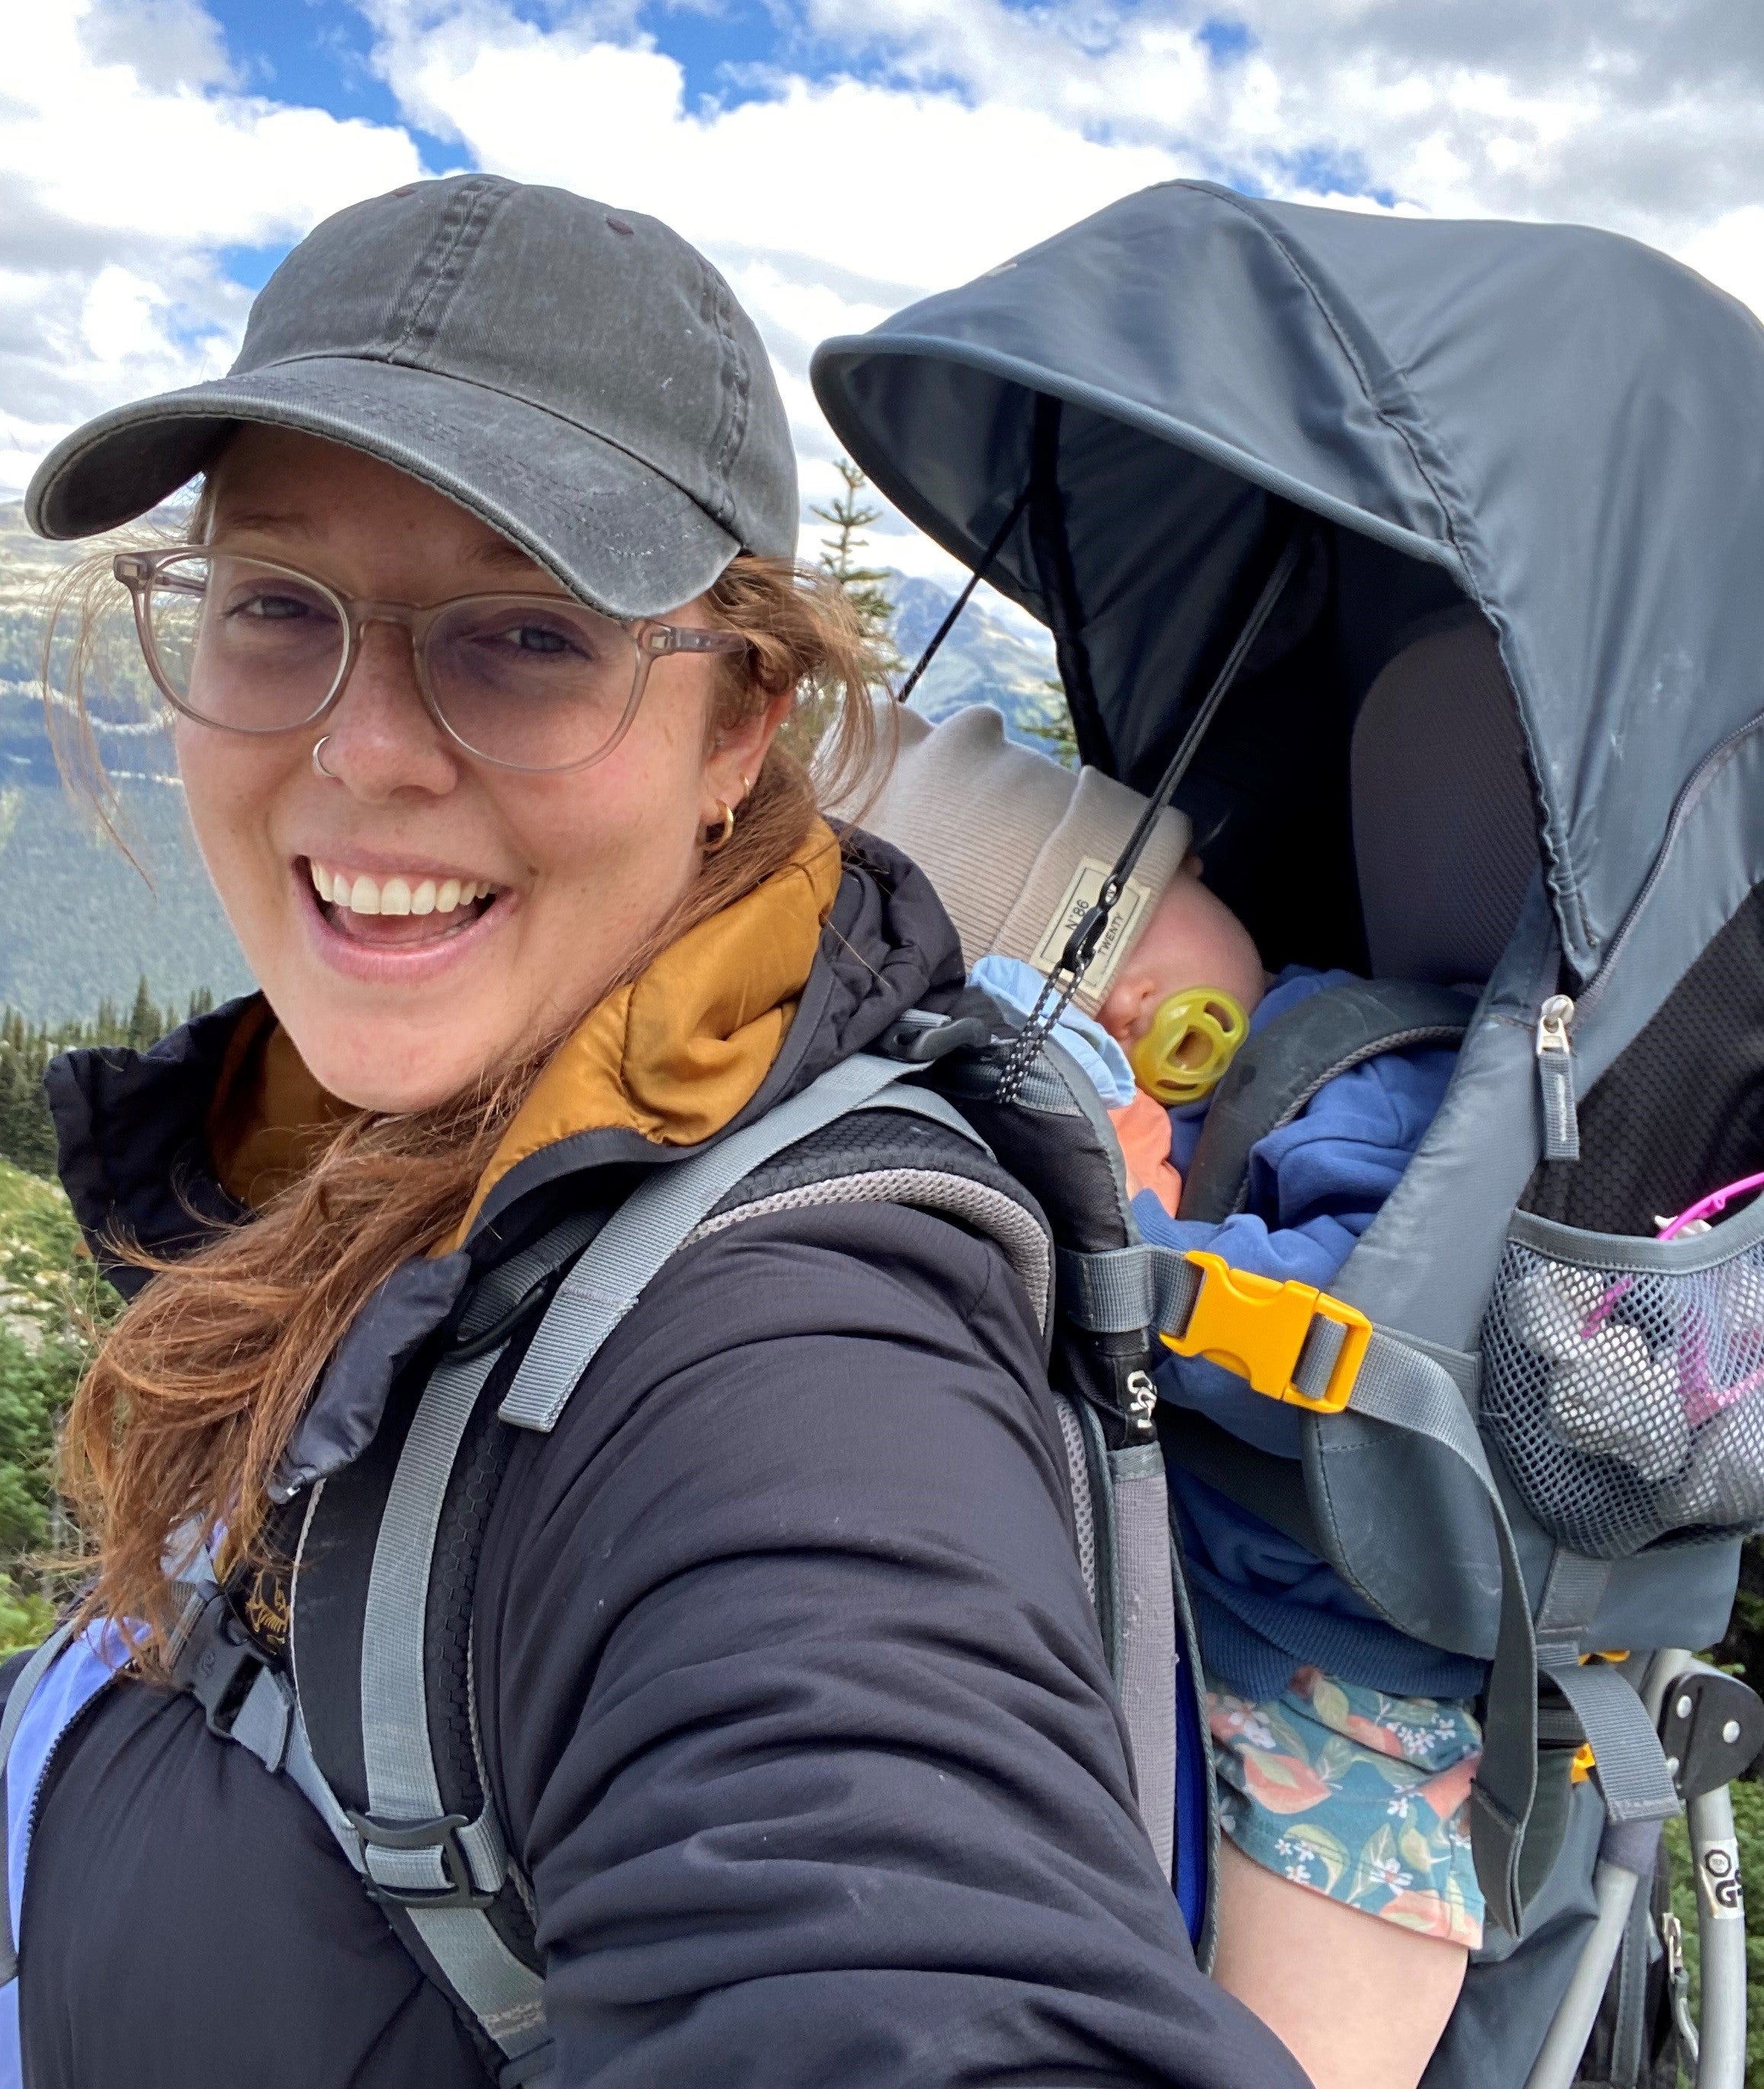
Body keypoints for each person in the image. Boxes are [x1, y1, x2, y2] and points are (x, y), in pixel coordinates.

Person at [2, 179, 1305, 2089]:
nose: (364, 748)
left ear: (738, 724)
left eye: (526, 631)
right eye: (279, 604)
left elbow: (882, 1921)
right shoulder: (369, 1161)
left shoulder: (784, 1364)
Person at [861, 702, 1488, 2089]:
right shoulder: (1158, 1114)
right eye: (1075, 998)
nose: (1134, 1002)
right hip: (1175, 1627)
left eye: (1151, 917)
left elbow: (1368, 1315)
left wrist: (1136, 1222)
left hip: (1354, 1689)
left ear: (1210, 868)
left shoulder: (1360, 1064)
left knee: (1299, 2050)